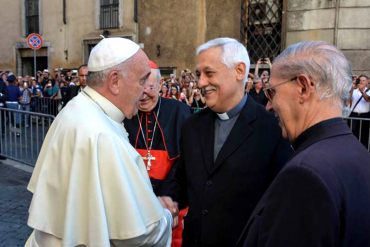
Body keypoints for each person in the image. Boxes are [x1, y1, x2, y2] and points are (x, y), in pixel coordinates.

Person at [25, 37, 175, 247]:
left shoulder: (75, 108)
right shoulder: (103, 135)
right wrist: (166, 216)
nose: (144, 91)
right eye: (141, 80)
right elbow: (138, 235)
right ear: (114, 81)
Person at [160, 37, 292, 247]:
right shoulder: (192, 126)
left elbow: (281, 203)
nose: (201, 82)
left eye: (209, 73)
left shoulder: (272, 129)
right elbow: (183, 178)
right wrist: (169, 198)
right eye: (198, 75)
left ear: (239, 71)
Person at [237, 41, 370, 247]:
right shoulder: (358, 153)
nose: (269, 106)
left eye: (272, 93)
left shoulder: (305, 175)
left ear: (303, 87)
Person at [124, 60, 191, 247]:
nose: (143, 94)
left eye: (150, 87)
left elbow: (186, 162)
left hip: (171, 202)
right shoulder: (124, 113)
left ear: (161, 85)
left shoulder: (180, 112)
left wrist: (167, 197)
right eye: (139, 86)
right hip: (133, 204)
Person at [348, 74, 370, 148]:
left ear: (367, 82)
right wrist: (352, 87)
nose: (361, 82)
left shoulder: (369, 91)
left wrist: (362, 91)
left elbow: (367, 99)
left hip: (365, 116)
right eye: (360, 80)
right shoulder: (354, 90)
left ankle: (363, 149)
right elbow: (348, 101)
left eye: (363, 80)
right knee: (352, 134)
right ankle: (351, 148)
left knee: (364, 134)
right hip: (354, 115)